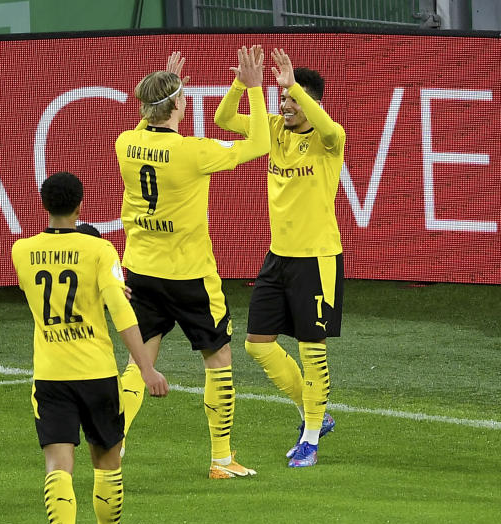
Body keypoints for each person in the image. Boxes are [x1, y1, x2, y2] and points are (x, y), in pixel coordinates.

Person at [113, 47, 269, 478]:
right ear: (179, 104)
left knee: (136, 363)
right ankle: (221, 459)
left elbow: (146, 126)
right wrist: (252, 87)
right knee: (218, 359)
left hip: (141, 271)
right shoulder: (193, 152)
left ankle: (115, 443)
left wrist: (163, 84)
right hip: (190, 276)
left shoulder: (125, 144)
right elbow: (260, 142)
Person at [11, 171, 168, 524]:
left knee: (57, 467)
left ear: (44, 205)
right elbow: (121, 311)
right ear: (81, 206)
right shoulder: (99, 249)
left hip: (51, 377)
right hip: (97, 375)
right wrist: (147, 369)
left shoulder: (21, 251)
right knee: (108, 463)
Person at [214, 48, 344, 468]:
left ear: (311, 102)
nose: (284, 105)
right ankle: (315, 414)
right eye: (283, 99)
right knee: (256, 344)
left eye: (292, 99)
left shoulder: (329, 140)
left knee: (313, 349)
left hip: (317, 258)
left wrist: (294, 88)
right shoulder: (273, 130)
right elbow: (223, 119)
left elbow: (328, 126)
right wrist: (242, 83)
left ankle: (309, 440)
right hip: (278, 257)